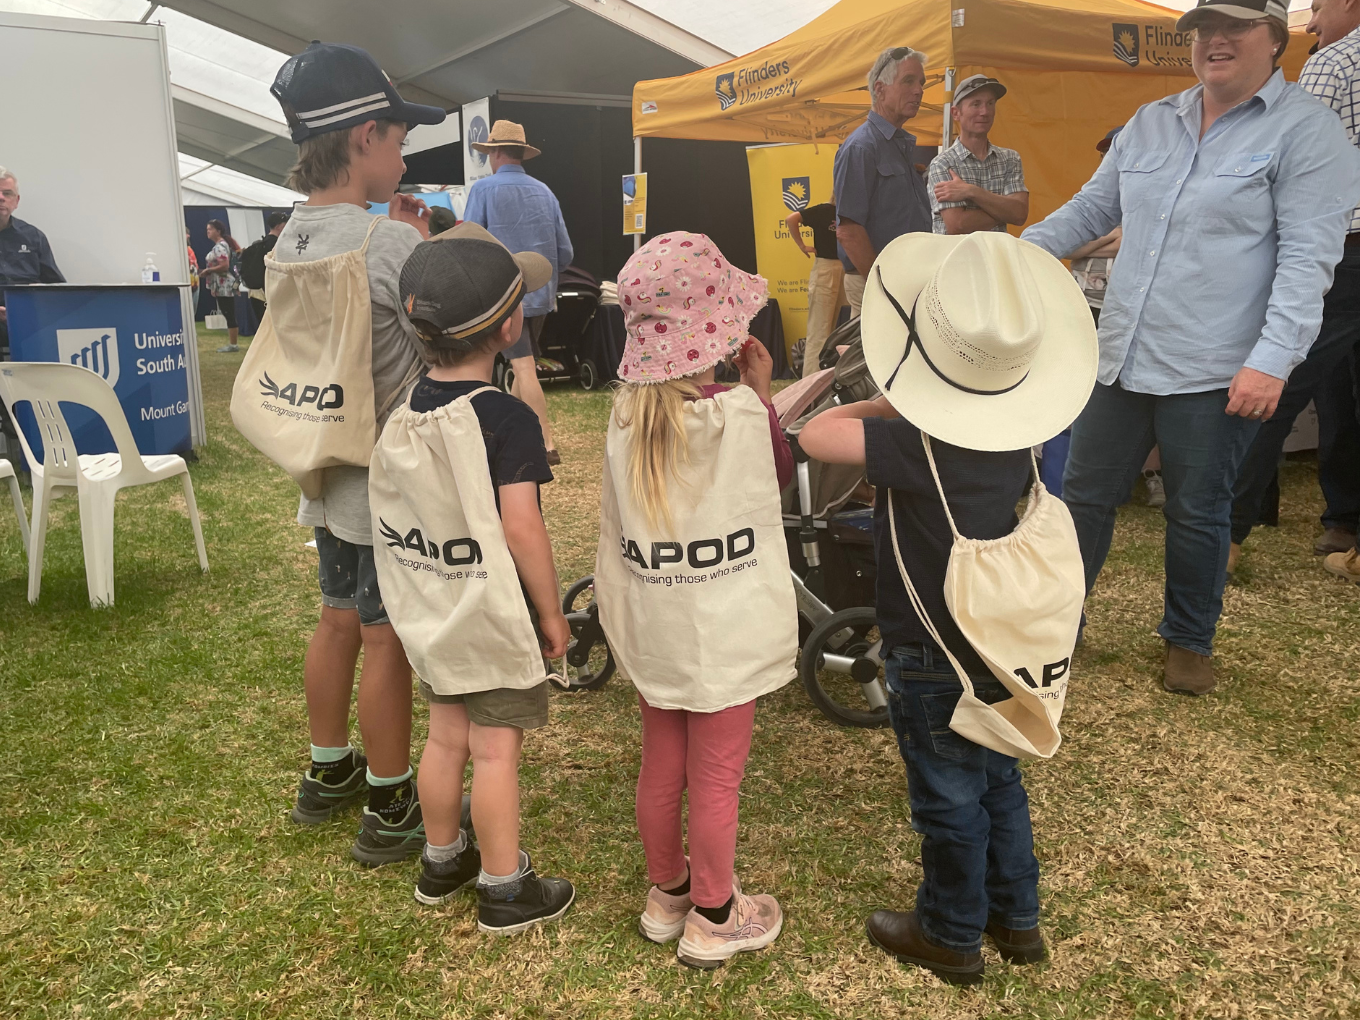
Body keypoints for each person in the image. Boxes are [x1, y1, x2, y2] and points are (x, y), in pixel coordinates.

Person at [1021, 0, 1360, 695]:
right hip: (1119, 355)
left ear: (1273, 36)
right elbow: (1092, 208)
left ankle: (1188, 641)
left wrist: (1272, 360)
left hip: (1215, 365)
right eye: (1203, 30)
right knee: (1081, 495)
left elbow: (1307, 258)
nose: (1214, 41)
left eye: (1233, 27)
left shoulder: (1308, 131)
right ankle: (1058, 625)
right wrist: (1015, 256)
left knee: (1198, 507)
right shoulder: (1152, 122)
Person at [799, 229, 1097, 986]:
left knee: (946, 798)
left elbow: (815, 434)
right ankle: (1016, 918)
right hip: (1001, 644)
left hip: (930, 652)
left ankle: (951, 930)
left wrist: (882, 397)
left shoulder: (916, 443)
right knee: (999, 781)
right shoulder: (1019, 435)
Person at [266, 40, 445, 865]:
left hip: (321, 461)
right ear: (366, 136)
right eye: (400, 138)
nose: (403, 154)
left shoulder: (287, 240)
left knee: (337, 618)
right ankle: (390, 801)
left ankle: (326, 770)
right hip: (382, 475)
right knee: (385, 637)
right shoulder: (386, 247)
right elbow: (439, 339)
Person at [597, 232, 795, 969]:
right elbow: (771, 479)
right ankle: (715, 913)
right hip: (725, 625)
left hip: (658, 626)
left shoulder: (624, 422)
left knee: (662, 763)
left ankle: (666, 894)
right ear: (718, 332)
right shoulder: (740, 414)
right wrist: (763, 397)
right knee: (717, 775)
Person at [388, 226, 575, 933]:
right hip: (493, 610)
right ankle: (504, 886)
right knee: (496, 747)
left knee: (444, 739)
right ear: (509, 325)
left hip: (433, 602)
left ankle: (443, 862)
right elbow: (522, 527)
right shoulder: (506, 418)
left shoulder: (407, 406)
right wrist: (551, 614)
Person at [1234, 0, 1360, 582]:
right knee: (1337, 393)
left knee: (1278, 378)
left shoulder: (1333, 63)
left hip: (1340, 244)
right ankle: (1346, 520)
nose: (1311, 18)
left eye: (1321, 3)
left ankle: (1226, 531)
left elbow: (1290, 153)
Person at [463, 120, 573, 466]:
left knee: (523, 367)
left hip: (503, 296)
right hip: (541, 296)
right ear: (521, 153)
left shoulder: (483, 191)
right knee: (521, 366)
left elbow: (469, 244)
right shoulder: (545, 191)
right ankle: (509, 428)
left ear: (494, 152)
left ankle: (545, 443)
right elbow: (565, 252)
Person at [833, 46, 932, 318]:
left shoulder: (896, 145)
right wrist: (883, 287)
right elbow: (849, 231)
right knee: (875, 362)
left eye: (921, 83)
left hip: (905, 283)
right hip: (881, 286)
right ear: (880, 88)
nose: (919, 90)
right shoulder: (862, 147)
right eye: (909, 81)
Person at [927, 75, 1029, 235]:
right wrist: (1004, 211)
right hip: (956, 258)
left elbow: (1020, 214)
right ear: (955, 113)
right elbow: (958, 225)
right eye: (976, 104)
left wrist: (971, 191)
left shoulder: (1010, 159)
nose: (985, 112)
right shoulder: (942, 163)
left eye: (990, 103)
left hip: (995, 258)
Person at [0, 165, 64, 353]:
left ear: (16, 201)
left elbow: (57, 287)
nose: (1, 198)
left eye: (7, 193)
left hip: (29, 318)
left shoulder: (33, 236)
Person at [786, 201, 844, 376]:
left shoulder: (852, 210)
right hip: (826, 267)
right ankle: (810, 382)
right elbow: (791, 219)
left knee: (835, 330)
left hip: (848, 268)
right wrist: (802, 246)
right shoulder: (824, 210)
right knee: (819, 330)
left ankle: (827, 377)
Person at [239, 211, 289, 325]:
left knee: (263, 326)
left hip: (256, 291)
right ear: (279, 226)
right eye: (285, 224)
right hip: (270, 291)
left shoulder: (259, 244)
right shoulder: (277, 246)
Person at [202, 219, 242, 353]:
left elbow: (224, 265)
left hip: (224, 284)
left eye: (210, 229)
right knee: (227, 312)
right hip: (221, 284)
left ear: (218, 231)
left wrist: (209, 270)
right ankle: (232, 343)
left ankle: (233, 344)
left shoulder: (220, 247)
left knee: (228, 313)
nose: (208, 231)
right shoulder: (221, 245)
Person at [186, 227, 199, 313]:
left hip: (195, 282)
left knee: (193, 308)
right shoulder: (180, 250)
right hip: (187, 282)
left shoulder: (189, 249)